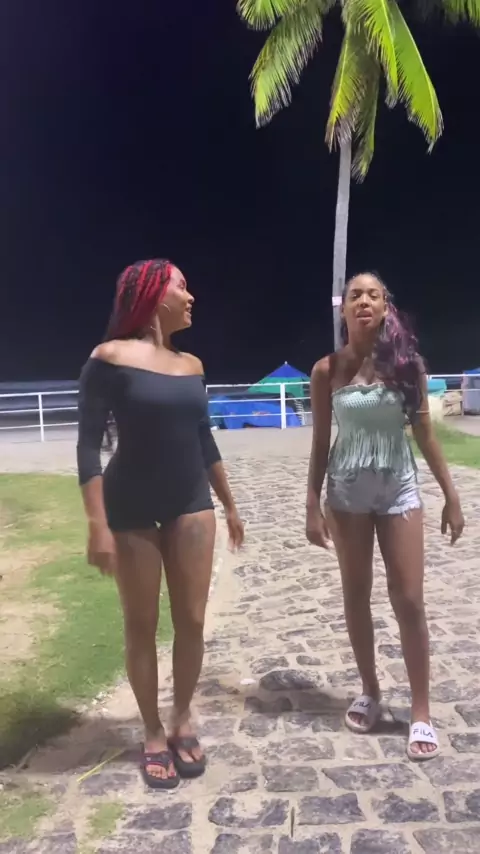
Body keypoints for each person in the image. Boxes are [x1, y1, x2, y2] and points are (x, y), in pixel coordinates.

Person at [77, 259, 244, 789]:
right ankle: (151, 729)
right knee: (141, 624)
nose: (191, 297)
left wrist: (229, 503)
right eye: (182, 287)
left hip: (190, 501)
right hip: (130, 506)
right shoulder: (108, 358)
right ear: (153, 293)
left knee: (191, 620)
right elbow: (87, 448)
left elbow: (204, 438)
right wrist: (97, 524)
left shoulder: (192, 365)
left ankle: (181, 717)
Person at [306, 272, 464, 761]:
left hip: (398, 488)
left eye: (373, 295)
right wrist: (311, 503)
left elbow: (426, 436)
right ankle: (370, 690)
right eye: (355, 295)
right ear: (344, 310)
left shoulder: (407, 366)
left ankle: (421, 711)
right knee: (356, 594)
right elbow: (320, 441)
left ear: (384, 307)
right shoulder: (326, 369)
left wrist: (451, 496)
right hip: (346, 493)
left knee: (409, 599)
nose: (364, 302)